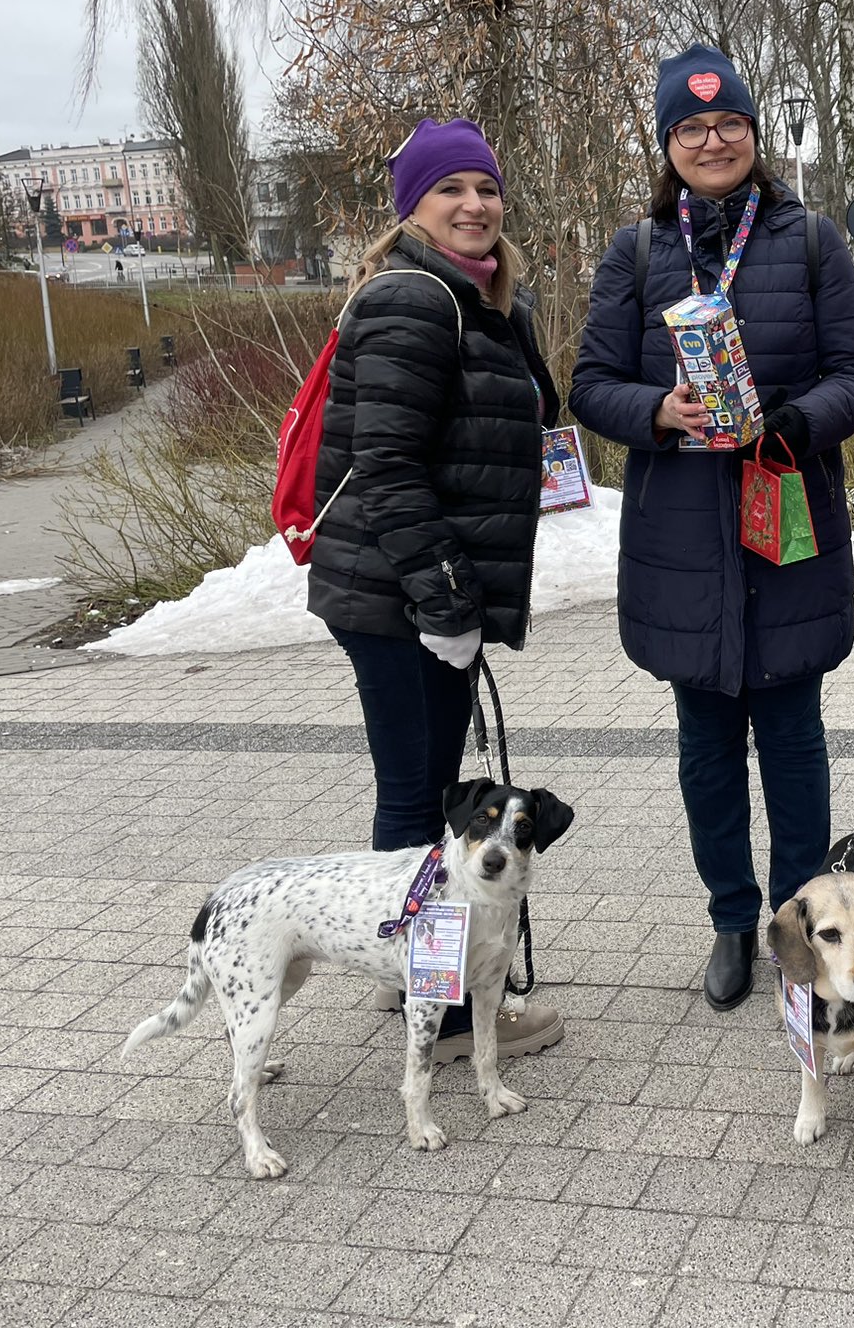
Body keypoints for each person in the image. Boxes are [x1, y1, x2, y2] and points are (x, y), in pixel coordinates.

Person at [570, 46, 854, 1011]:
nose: (713, 142)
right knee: (706, 753)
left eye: (730, 124)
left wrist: (794, 421)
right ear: (669, 144)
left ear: (754, 132)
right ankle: (728, 918)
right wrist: (658, 412)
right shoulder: (634, 251)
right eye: (692, 128)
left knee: (793, 744)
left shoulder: (812, 241)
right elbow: (590, 385)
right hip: (682, 548)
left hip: (787, 533)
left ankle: (802, 924)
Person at [306, 117, 566, 1061]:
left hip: (413, 593)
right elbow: (386, 469)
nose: (474, 204)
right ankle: (448, 1011)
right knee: (421, 803)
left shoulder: (481, 301)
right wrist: (448, 602)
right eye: (449, 189)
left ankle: (407, 968)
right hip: (402, 600)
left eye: (485, 187)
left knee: (415, 790)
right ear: (411, 208)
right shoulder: (413, 300)